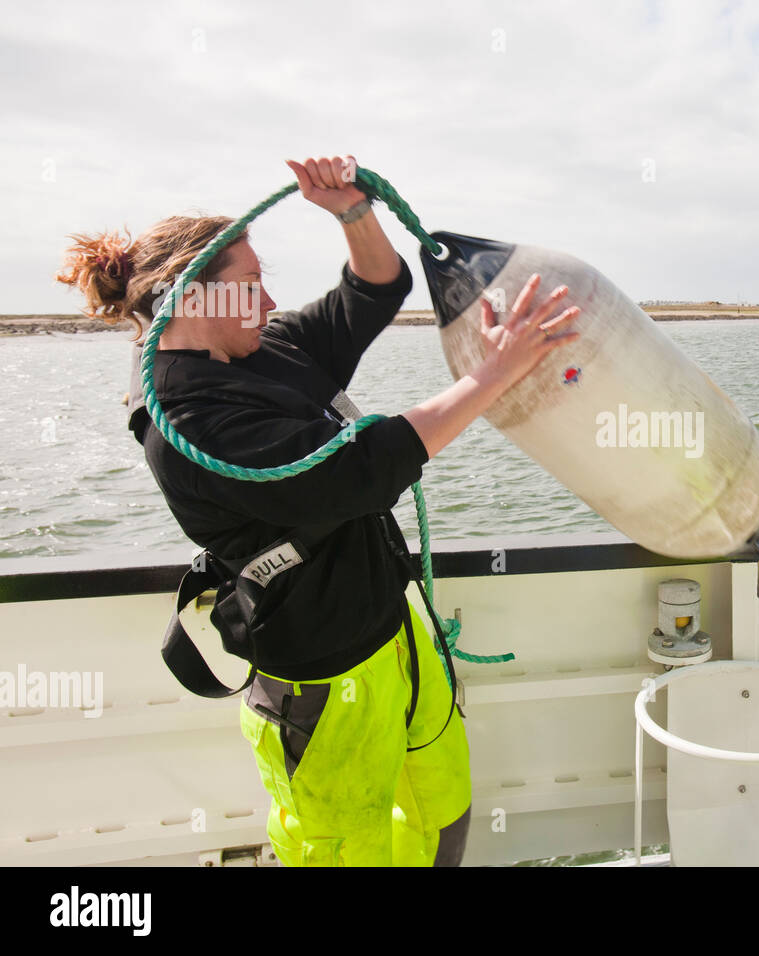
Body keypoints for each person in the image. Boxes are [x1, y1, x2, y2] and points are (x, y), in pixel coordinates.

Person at [56, 155, 580, 866]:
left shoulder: (260, 349)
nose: (269, 303)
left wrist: (352, 213)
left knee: (442, 807)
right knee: (341, 850)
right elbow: (357, 474)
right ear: (190, 299)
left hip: (394, 636)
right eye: (249, 285)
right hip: (321, 682)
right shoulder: (187, 424)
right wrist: (495, 372)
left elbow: (371, 290)